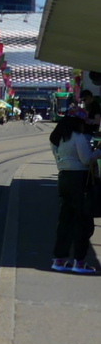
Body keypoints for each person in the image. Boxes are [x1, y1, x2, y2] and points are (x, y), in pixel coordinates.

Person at [50, 114, 98, 275]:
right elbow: (86, 160)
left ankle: (60, 259)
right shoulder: (77, 137)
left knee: (65, 221)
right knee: (83, 222)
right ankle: (80, 262)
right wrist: (98, 152)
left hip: (63, 178)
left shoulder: (57, 138)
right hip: (80, 180)